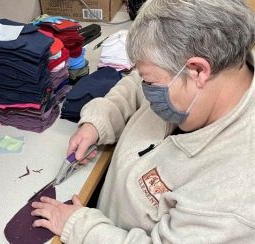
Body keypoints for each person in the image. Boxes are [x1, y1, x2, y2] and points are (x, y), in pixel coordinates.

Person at [31, 0, 255, 243]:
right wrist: (99, 121)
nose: (146, 88)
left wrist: (81, 228)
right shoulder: (199, 71)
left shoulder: (236, 197)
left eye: (152, 83)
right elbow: (136, 82)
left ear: (198, 71)